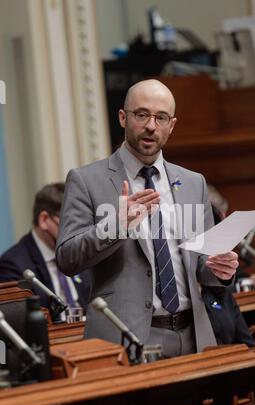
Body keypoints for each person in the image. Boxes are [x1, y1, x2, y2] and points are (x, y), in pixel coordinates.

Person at [56, 79, 239, 357]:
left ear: (172, 125)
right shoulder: (86, 180)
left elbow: (202, 265)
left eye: (161, 117)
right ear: (122, 117)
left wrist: (219, 270)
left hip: (193, 334)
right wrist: (117, 226)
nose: (151, 126)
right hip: (124, 338)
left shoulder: (193, 182)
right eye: (141, 115)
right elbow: (67, 258)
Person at [0, 183, 90, 312]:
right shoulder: (13, 266)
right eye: (70, 224)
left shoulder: (80, 252)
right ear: (44, 220)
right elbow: (25, 323)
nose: (76, 232)